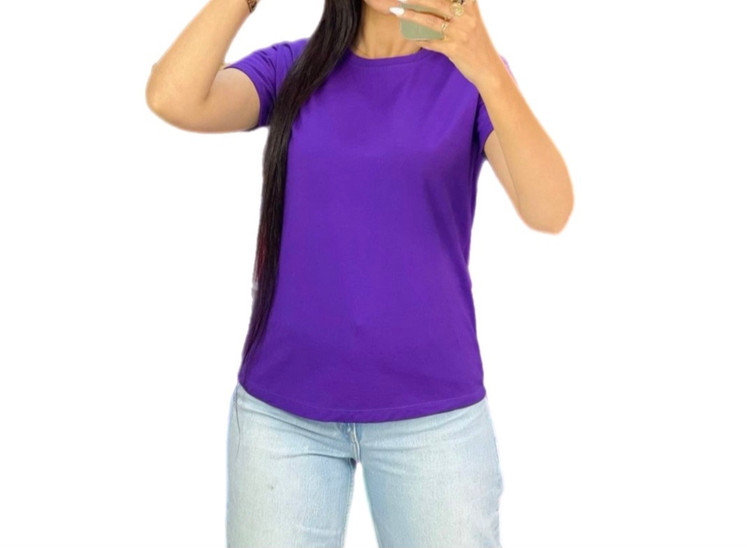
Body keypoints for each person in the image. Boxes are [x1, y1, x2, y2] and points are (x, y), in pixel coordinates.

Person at [146, 0, 573, 545]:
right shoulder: (295, 69)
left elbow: (550, 210)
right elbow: (173, 97)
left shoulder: (471, 80)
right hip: (283, 418)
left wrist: (487, 66)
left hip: (433, 417)